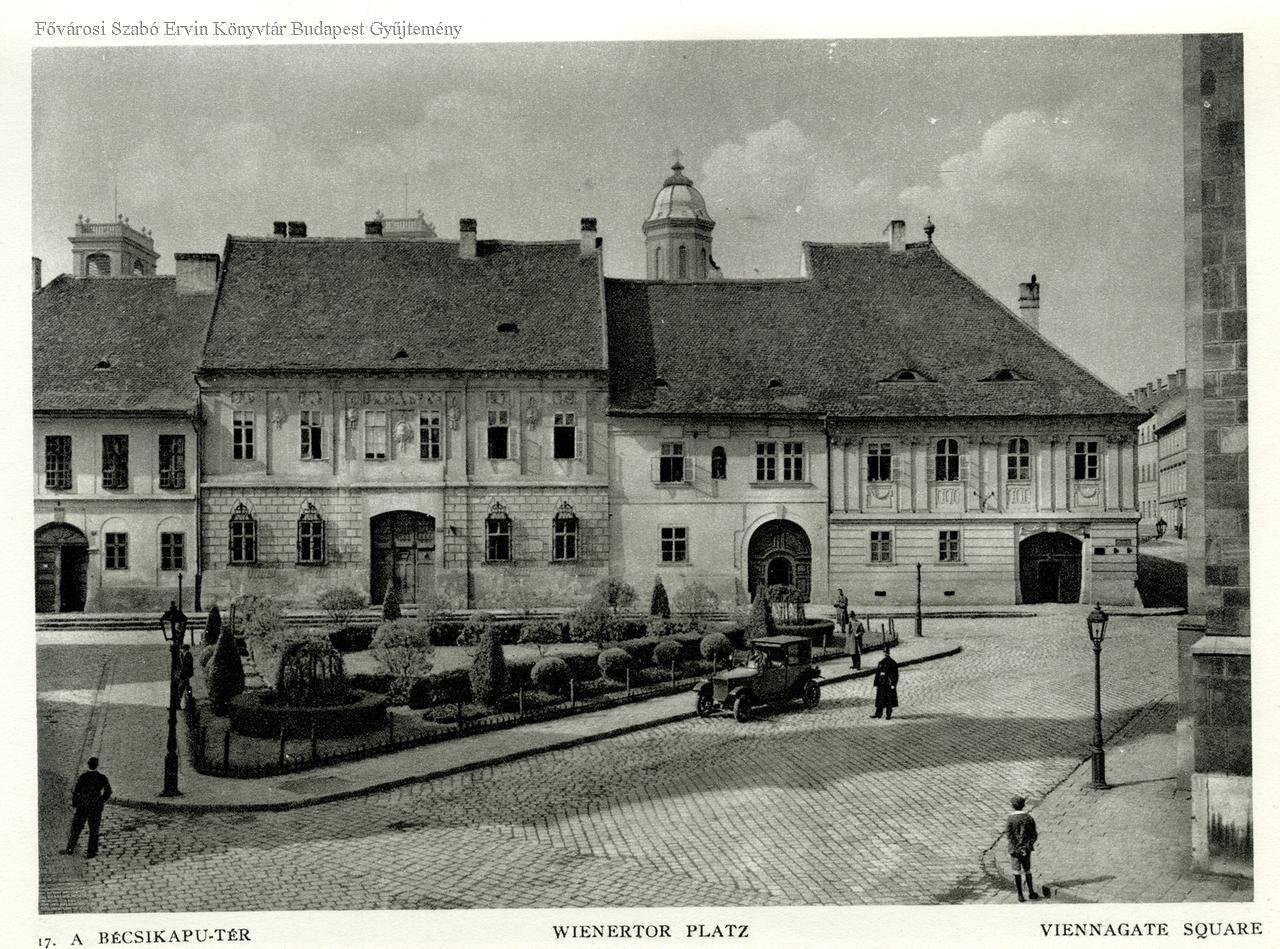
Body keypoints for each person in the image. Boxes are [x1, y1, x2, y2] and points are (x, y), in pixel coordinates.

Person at [64, 757, 112, 858]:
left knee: (76, 828)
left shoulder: (83, 777)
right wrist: (101, 800)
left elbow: (76, 792)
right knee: (94, 830)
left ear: (88, 764)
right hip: (95, 806)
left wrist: (75, 803)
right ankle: (91, 852)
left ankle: (70, 849)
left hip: (83, 805)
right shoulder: (102, 777)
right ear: (97, 765)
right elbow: (108, 791)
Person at [1006, 795, 1040, 902]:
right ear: (1023, 805)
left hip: (1014, 849)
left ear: (1013, 806)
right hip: (1026, 849)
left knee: (1016, 871)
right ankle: (1031, 892)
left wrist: (1017, 847)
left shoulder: (1010, 819)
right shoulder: (1029, 818)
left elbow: (1009, 835)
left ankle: (1020, 895)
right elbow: (1034, 835)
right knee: (1027, 870)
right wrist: (1026, 846)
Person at [871, 645, 899, 719]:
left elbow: (895, 674)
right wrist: (875, 683)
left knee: (889, 699)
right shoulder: (881, 662)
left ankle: (888, 714)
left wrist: (893, 684)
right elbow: (877, 674)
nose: (885, 654)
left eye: (886, 653)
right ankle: (878, 713)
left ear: (889, 653)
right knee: (880, 699)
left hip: (888, 683)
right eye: (884, 653)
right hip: (881, 683)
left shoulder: (892, 663)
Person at [179, 644, 195, 709]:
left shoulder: (188, 655)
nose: (181, 650)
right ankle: (189, 698)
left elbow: (186, 666)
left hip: (186, 674)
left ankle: (179, 703)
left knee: (182, 688)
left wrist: (182, 673)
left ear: (185, 649)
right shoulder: (186, 655)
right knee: (187, 687)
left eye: (182, 649)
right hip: (187, 674)